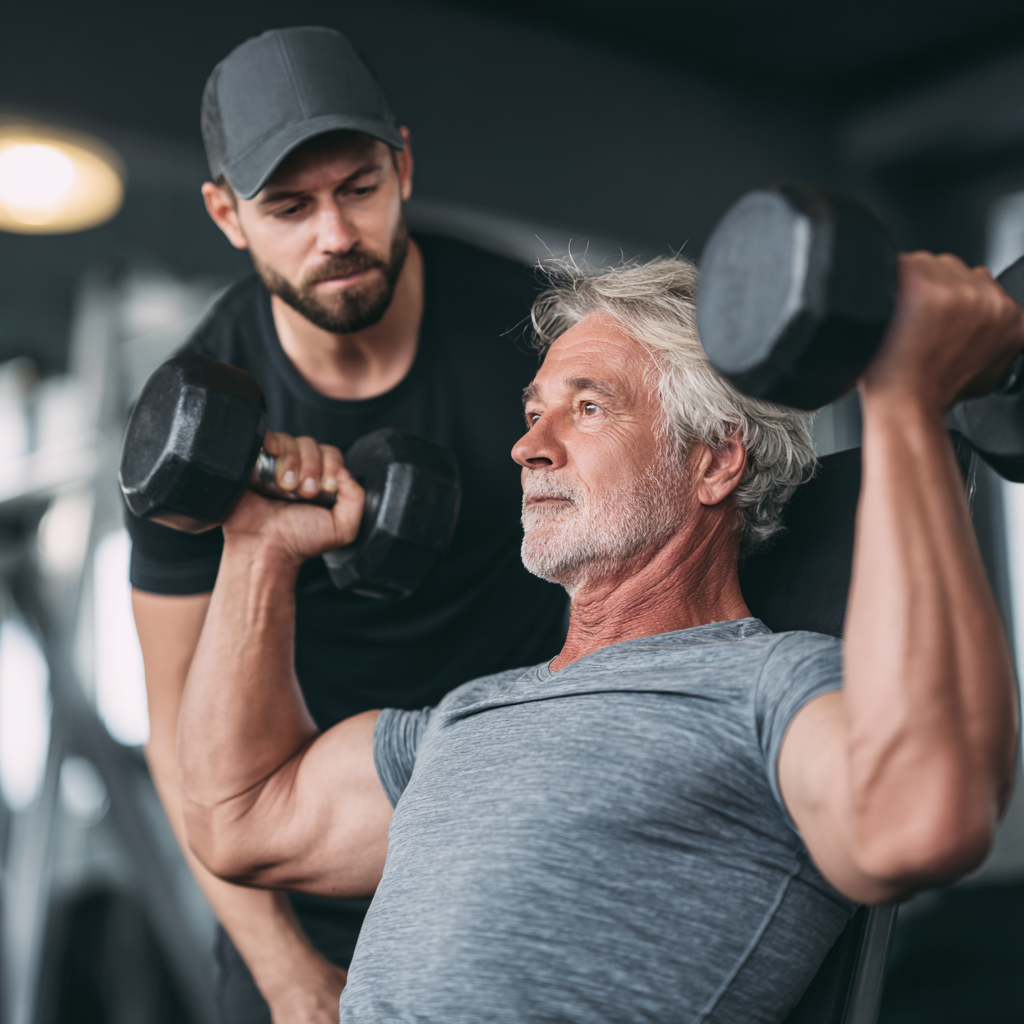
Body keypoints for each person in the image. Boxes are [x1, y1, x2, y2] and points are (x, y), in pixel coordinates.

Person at [177, 251, 1020, 1023]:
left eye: (588, 408)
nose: (526, 447)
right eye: (533, 412)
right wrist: (260, 548)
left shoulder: (769, 687)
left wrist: (907, 400)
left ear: (715, 461)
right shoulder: (466, 715)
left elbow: (926, 818)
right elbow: (237, 817)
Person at [126, 25, 567, 1024]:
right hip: (303, 868)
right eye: (288, 206)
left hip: (519, 835)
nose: (334, 233)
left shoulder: (533, 331)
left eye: (358, 188)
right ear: (227, 215)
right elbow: (173, 734)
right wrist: (284, 973)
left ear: (403, 165)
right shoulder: (190, 419)